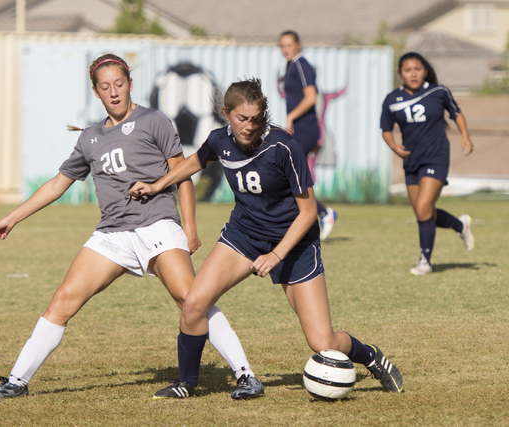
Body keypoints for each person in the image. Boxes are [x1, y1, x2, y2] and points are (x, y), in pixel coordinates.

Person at [0, 54, 262, 401]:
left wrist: (189, 227)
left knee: (192, 300)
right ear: (96, 92)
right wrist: (12, 218)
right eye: (105, 87)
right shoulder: (90, 138)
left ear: (130, 83)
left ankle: (246, 375)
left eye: (119, 83)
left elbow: (183, 173)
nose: (114, 92)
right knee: (63, 300)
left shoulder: (154, 120)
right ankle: (16, 381)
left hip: (157, 225)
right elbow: (57, 184)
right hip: (113, 234)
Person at [129, 78, 403, 399]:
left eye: (256, 119)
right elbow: (195, 161)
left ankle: (370, 355)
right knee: (193, 304)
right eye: (241, 118)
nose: (249, 126)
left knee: (323, 343)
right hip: (244, 236)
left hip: (294, 244)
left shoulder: (284, 146)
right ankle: (187, 383)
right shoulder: (220, 140)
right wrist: (157, 185)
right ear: (226, 113)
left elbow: (308, 212)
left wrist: (277, 255)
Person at [380, 52, 474, 276]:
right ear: (400, 74)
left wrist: (465, 136)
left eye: (418, 69)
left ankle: (425, 261)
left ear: (425, 70)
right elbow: (385, 130)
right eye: (408, 70)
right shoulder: (392, 99)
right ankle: (461, 226)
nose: (413, 74)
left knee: (423, 208)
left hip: (436, 157)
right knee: (424, 213)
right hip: (411, 161)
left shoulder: (439, 92)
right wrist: (394, 146)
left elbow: (457, 114)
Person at [279, 30, 336, 241]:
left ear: (298, 45)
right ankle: (309, 217)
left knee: (289, 172)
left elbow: (311, 97)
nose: (285, 49)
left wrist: (291, 117)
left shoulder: (302, 64)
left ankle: (323, 213)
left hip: (307, 129)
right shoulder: (291, 66)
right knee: (290, 174)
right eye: (282, 45)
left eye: (289, 45)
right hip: (300, 129)